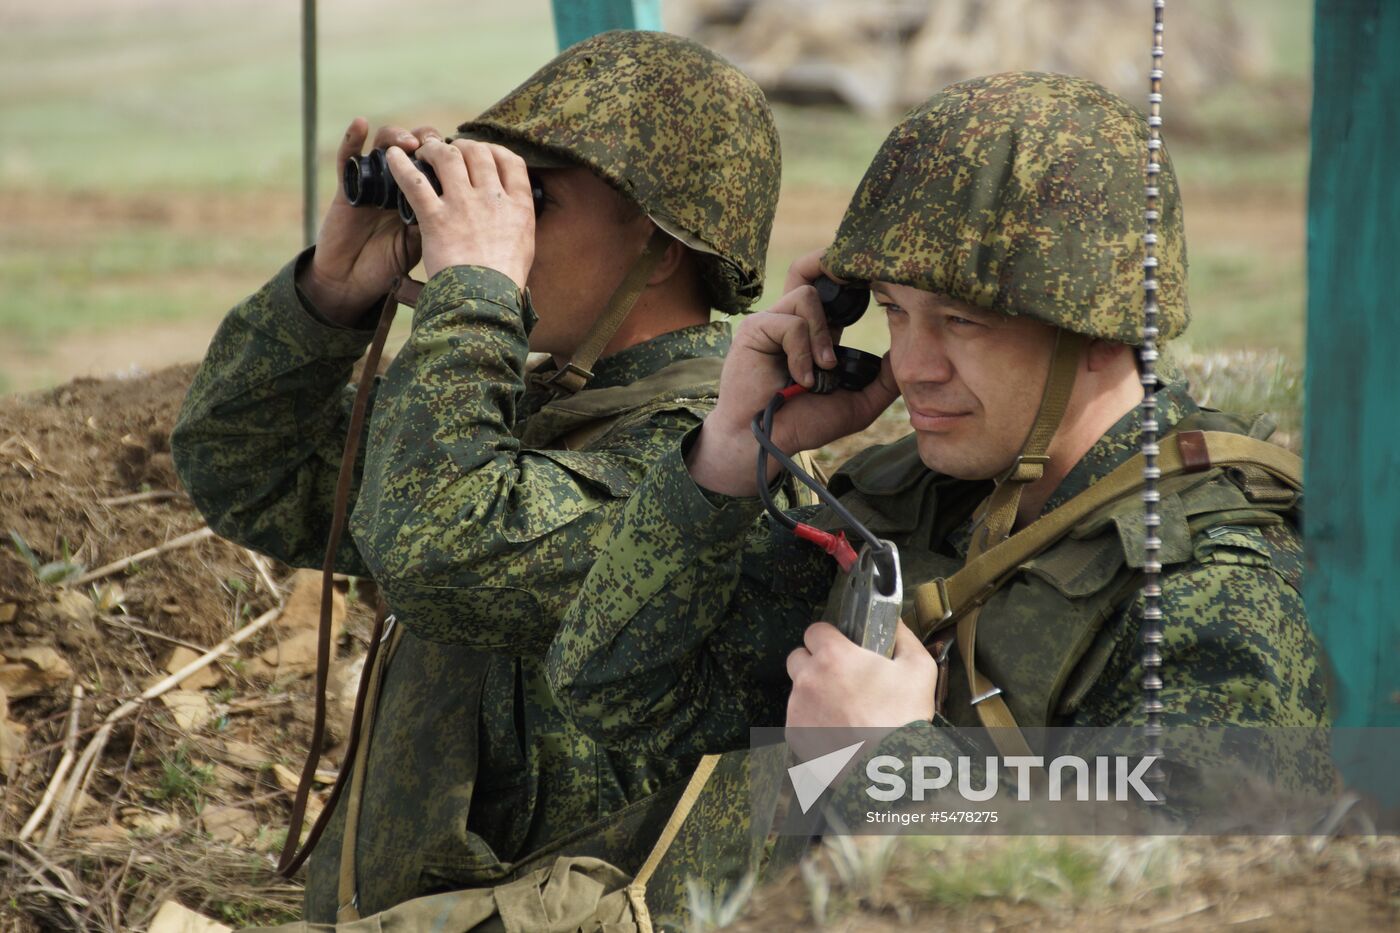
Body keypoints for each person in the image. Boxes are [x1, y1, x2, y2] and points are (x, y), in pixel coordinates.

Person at [547, 72, 1328, 820]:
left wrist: (890, 765)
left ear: (1100, 331)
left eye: (961, 322)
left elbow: (1181, 889)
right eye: (894, 312)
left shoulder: (1213, 592)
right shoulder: (914, 496)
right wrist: (725, 456)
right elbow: (613, 695)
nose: (913, 367)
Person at [171, 30, 781, 920]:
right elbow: (243, 466)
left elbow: (440, 551)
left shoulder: (706, 466)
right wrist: (335, 291)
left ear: (657, 244)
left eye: (536, 200)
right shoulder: (543, 412)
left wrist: (476, 290)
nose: (506, 226)